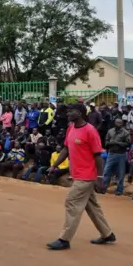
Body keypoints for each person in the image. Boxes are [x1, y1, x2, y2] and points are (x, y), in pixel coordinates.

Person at [46, 103, 115, 251]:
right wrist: (54, 166)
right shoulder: (71, 128)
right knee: (91, 206)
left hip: (87, 176)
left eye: (72, 111)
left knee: (71, 202)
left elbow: (98, 156)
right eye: (68, 111)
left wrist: (100, 177)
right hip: (77, 174)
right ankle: (107, 233)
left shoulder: (90, 131)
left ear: (81, 113)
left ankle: (64, 239)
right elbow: (66, 149)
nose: (69, 113)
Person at [102, 118, 130, 195]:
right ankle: (104, 188)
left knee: (120, 173)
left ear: (122, 124)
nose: (119, 124)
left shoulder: (125, 132)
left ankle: (119, 190)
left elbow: (128, 144)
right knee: (107, 171)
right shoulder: (110, 131)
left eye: (120, 123)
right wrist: (110, 143)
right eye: (117, 123)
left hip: (121, 154)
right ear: (114, 123)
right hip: (111, 153)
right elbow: (106, 142)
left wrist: (117, 143)